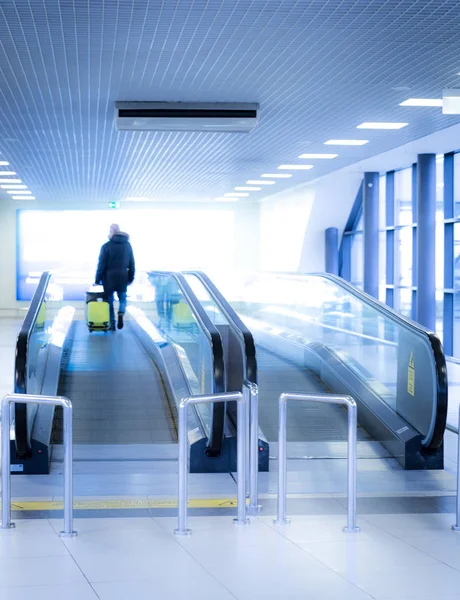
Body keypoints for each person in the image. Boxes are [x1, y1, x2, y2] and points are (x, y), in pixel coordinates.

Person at [95, 224, 135, 331]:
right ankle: (121, 313)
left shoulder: (106, 246)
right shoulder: (127, 245)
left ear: (111, 233)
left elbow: (101, 264)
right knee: (122, 298)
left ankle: (112, 324)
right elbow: (132, 263)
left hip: (109, 277)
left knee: (109, 300)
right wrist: (131, 277)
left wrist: (97, 279)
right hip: (123, 275)